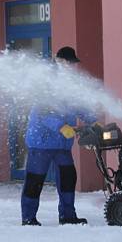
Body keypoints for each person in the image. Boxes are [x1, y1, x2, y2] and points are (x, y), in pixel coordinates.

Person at [20, 46, 96, 226]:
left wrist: (92, 121)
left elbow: (78, 106)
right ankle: (28, 218)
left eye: (73, 63)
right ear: (60, 61)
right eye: (69, 63)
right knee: (35, 180)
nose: (71, 66)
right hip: (42, 142)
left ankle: (67, 216)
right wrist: (60, 126)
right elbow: (41, 111)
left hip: (62, 144)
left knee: (68, 178)